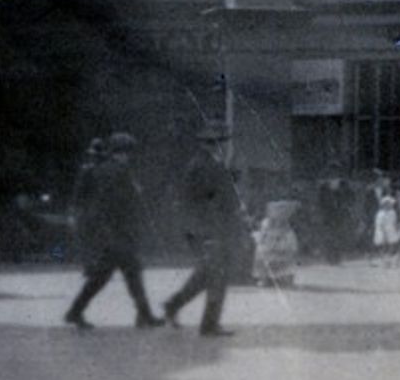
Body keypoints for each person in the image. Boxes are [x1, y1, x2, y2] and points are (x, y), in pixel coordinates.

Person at [64, 132, 165, 330]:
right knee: (131, 274)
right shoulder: (118, 171)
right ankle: (144, 316)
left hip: (109, 233)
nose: (129, 156)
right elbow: (119, 203)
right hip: (118, 233)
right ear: (121, 152)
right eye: (127, 152)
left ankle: (75, 312)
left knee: (102, 278)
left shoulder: (103, 170)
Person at [163, 124, 248, 337]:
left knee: (206, 274)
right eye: (219, 142)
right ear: (212, 144)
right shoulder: (206, 166)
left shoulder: (205, 164)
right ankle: (209, 325)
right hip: (210, 229)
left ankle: (173, 305)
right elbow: (212, 198)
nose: (222, 145)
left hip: (204, 228)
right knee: (217, 274)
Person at [253, 199, 301, 287]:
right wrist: (262, 241)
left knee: (286, 263)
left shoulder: (287, 228)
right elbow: (262, 236)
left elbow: (291, 238)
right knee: (264, 259)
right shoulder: (266, 223)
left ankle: (286, 278)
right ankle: (264, 278)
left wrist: (291, 247)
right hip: (269, 248)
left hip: (282, 250)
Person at [372, 195, 400, 267]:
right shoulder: (380, 213)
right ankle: (385, 261)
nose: (391, 205)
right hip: (382, 232)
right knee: (383, 246)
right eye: (389, 204)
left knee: (392, 246)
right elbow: (379, 224)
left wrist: (397, 229)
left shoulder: (393, 212)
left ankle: (389, 259)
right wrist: (383, 233)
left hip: (391, 231)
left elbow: (395, 222)